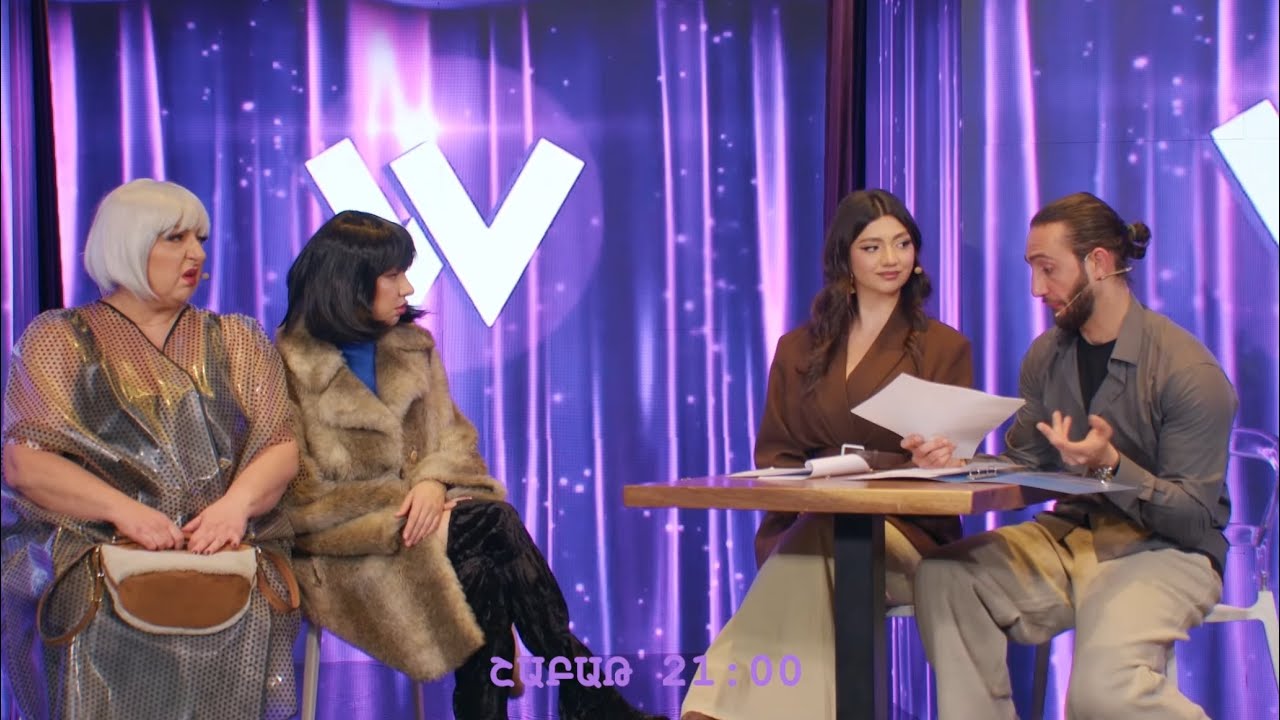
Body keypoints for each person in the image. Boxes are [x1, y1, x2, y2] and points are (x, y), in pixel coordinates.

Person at [274, 209, 663, 720]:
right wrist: (397, 509)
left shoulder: (413, 347)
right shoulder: (284, 363)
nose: (408, 288)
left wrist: (434, 483)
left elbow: (455, 440)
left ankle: (550, 698)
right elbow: (298, 495)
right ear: (347, 280)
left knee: (484, 568)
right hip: (346, 554)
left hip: (438, 533)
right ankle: (584, 690)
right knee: (492, 524)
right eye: (393, 274)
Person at [903, 191, 1236, 719]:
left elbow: (1194, 520)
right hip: (1071, 535)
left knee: (1100, 696)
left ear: (1098, 263)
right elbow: (1026, 461)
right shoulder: (1047, 355)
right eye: (1032, 269)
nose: (1037, 289)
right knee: (946, 577)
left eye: (1048, 269)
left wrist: (1110, 465)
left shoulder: (1188, 373)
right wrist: (957, 465)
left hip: (1165, 551)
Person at [0, 179, 302, 720]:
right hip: (92, 546)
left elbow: (279, 446)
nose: (196, 254)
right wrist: (126, 513)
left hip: (217, 542)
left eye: (200, 238)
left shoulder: (237, 337)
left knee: (250, 601)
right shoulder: (59, 337)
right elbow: (26, 462)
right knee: (91, 610)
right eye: (175, 238)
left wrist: (233, 509)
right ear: (127, 242)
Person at [680, 189, 974, 720]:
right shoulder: (798, 349)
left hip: (906, 535)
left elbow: (956, 458)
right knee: (821, 537)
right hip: (809, 524)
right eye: (872, 247)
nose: (890, 259)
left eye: (902, 244)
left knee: (829, 532)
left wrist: (938, 460)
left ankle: (710, 709)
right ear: (845, 258)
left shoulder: (943, 347)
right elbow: (776, 455)